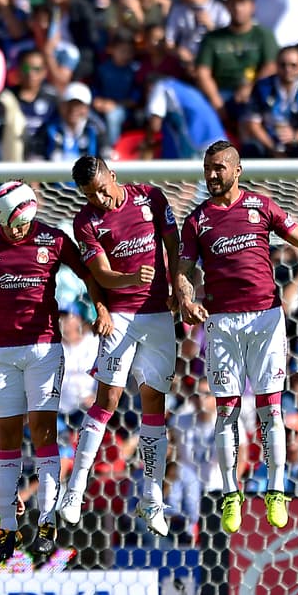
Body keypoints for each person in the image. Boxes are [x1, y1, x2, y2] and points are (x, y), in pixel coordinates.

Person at [174, 141, 298, 534]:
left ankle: (276, 490)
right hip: (221, 322)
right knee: (226, 411)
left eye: (219, 167)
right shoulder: (197, 220)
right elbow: (183, 270)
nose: (212, 174)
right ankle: (230, 494)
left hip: (266, 318)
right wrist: (185, 298)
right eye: (207, 168)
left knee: (271, 409)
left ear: (237, 170)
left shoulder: (261, 206)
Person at [0, 181, 103, 563]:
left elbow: (90, 275)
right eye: (11, 225)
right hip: (1, 352)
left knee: (43, 435)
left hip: (43, 349)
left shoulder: (54, 240)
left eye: (23, 224)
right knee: (7, 442)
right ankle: (7, 528)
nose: (18, 230)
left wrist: (102, 309)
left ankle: (46, 523)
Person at [61, 156, 180, 538]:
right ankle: (74, 490)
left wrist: (178, 284)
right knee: (107, 401)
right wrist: (130, 278)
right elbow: (101, 274)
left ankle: (152, 499)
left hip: (158, 313)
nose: (100, 199)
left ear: (113, 176)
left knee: (154, 403)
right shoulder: (86, 222)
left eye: (103, 190)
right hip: (121, 316)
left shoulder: (150, 197)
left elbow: (174, 244)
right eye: (90, 195)